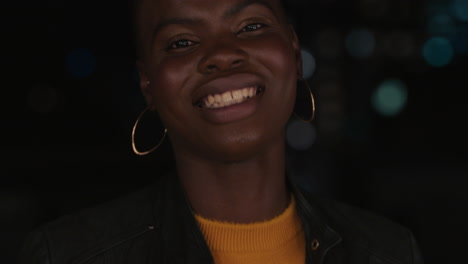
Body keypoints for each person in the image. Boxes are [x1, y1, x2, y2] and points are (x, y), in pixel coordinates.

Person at [18, 0, 424, 263]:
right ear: (149, 86)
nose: (221, 55)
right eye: (181, 42)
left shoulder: (388, 251)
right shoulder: (67, 255)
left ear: (294, 55)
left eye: (250, 26)